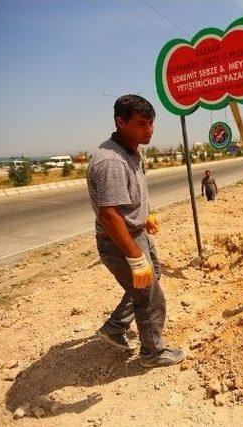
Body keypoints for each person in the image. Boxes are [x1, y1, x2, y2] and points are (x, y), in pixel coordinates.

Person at [87, 94, 184, 368]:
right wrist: (135, 257)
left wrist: (146, 212)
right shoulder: (111, 162)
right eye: (142, 123)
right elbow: (109, 214)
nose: (149, 130)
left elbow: (135, 190)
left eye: (152, 123)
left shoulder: (134, 149)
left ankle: (116, 327)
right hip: (120, 239)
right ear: (121, 121)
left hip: (137, 232)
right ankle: (152, 353)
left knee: (149, 280)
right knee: (151, 295)